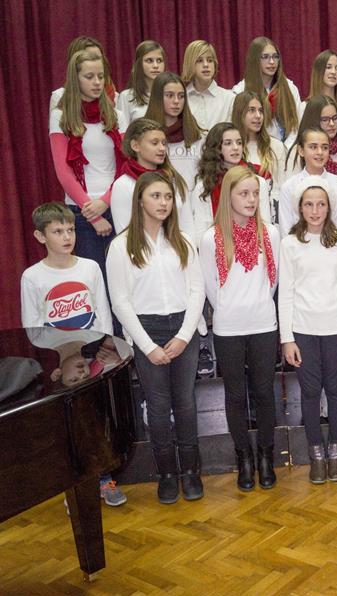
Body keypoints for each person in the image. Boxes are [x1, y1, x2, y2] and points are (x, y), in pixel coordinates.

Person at [107, 172, 206, 504]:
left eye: (168, 197)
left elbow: (197, 291)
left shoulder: (183, 241)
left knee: (186, 403)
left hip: (183, 329)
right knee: (159, 407)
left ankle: (191, 471)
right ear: (139, 201)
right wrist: (147, 346)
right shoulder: (121, 246)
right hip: (145, 330)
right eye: (156, 196)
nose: (163, 203)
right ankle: (166, 474)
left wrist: (184, 336)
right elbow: (120, 302)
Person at [20, 203, 125, 507]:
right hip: (59, 358)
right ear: (41, 236)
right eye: (57, 231)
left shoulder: (89, 267)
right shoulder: (32, 277)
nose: (67, 237)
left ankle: (104, 480)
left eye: (70, 230)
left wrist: (104, 347)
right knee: (68, 426)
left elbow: (102, 313)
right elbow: (32, 328)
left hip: (93, 352)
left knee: (97, 421)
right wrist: (64, 351)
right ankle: (75, 486)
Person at [199, 165, 280, 492]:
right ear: (228, 197)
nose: (251, 199)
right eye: (243, 193)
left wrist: (256, 304)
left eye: (255, 193)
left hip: (263, 324)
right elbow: (210, 287)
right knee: (234, 395)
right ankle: (244, 457)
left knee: (264, 392)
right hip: (228, 328)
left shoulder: (270, 233)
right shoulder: (211, 238)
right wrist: (231, 309)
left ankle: (266, 455)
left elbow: (272, 281)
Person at [279, 176, 337, 484]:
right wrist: (287, 339)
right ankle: (316, 454)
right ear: (300, 208)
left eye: (321, 204)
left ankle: (336, 451)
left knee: (336, 392)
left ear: (329, 207)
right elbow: (286, 293)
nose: (315, 210)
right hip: (303, 331)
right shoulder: (290, 244)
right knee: (310, 393)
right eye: (309, 205)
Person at [49, 49, 125, 276]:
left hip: (117, 205)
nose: (97, 82)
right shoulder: (61, 116)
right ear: (76, 79)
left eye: (101, 76)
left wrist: (106, 202)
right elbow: (63, 172)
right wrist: (93, 213)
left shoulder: (117, 116)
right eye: (89, 77)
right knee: (94, 278)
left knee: (122, 279)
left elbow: (125, 166)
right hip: (82, 212)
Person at [110, 118, 194, 240]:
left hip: (177, 248)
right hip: (140, 250)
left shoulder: (175, 180)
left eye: (164, 143)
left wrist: (187, 250)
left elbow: (187, 226)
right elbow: (124, 235)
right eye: (155, 143)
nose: (162, 148)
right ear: (135, 146)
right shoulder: (123, 184)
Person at [191, 122, 272, 241]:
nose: (235, 147)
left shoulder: (258, 182)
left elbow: (265, 225)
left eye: (239, 142)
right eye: (228, 143)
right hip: (216, 247)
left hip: (253, 246)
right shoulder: (204, 187)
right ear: (216, 148)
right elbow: (201, 234)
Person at [281, 127, 337, 237]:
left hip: (333, 244)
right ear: (301, 151)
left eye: (324, 147)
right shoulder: (289, 187)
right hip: (299, 244)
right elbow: (286, 229)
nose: (320, 152)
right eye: (313, 147)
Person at [233, 37, 302, 147]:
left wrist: (284, 150)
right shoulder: (240, 91)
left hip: (287, 150)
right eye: (265, 57)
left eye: (275, 56)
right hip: (254, 150)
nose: (272, 62)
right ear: (255, 59)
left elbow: (296, 127)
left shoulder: (290, 88)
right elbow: (239, 129)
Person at [144, 72, 205, 196]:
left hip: (193, 203)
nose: (176, 101)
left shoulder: (198, 136)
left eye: (181, 96)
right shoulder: (144, 135)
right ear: (157, 97)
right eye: (170, 95)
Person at [233, 90, 289, 210]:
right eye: (251, 110)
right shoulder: (232, 147)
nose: (258, 116)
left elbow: (283, 187)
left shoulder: (276, 147)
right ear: (239, 113)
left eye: (261, 111)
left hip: (271, 211)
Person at [297, 94, 337, 186]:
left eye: (335, 118)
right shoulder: (299, 151)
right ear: (313, 120)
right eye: (325, 120)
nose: (332, 124)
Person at [181, 40, 235, 131]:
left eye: (210, 60)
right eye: (199, 61)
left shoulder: (229, 99)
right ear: (190, 64)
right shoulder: (182, 98)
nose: (206, 65)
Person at [117, 40, 165, 128]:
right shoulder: (126, 96)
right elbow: (122, 131)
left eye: (159, 60)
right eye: (149, 60)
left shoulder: (169, 94)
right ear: (139, 64)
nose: (155, 65)